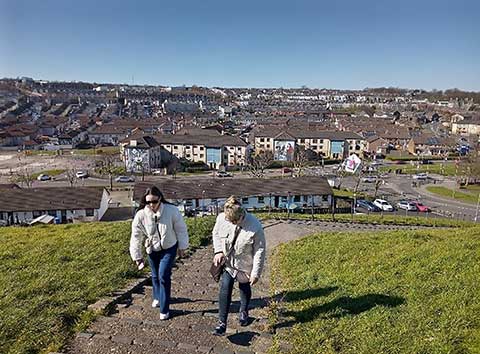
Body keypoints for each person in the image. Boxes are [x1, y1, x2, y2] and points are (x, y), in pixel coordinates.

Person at [130, 186, 189, 320]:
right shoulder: (140, 215)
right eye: (148, 202)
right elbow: (136, 236)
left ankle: (164, 308)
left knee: (163, 276)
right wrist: (137, 256)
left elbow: (181, 229)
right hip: (152, 249)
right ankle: (157, 296)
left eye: (154, 202)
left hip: (169, 247)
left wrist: (182, 247)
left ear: (160, 199)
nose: (151, 205)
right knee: (155, 276)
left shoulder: (172, 210)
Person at [211, 196, 266, 335]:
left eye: (236, 221)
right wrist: (218, 251)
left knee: (244, 287)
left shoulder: (255, 225)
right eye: (231, 221)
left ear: (242, 214)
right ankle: (222, 322)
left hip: (245, 264)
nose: (234, 223)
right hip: (229, 263)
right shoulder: (221, 218)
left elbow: (259, 250)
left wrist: (255, 273)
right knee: (225, 288)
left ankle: (244, 311)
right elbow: (216, 234)